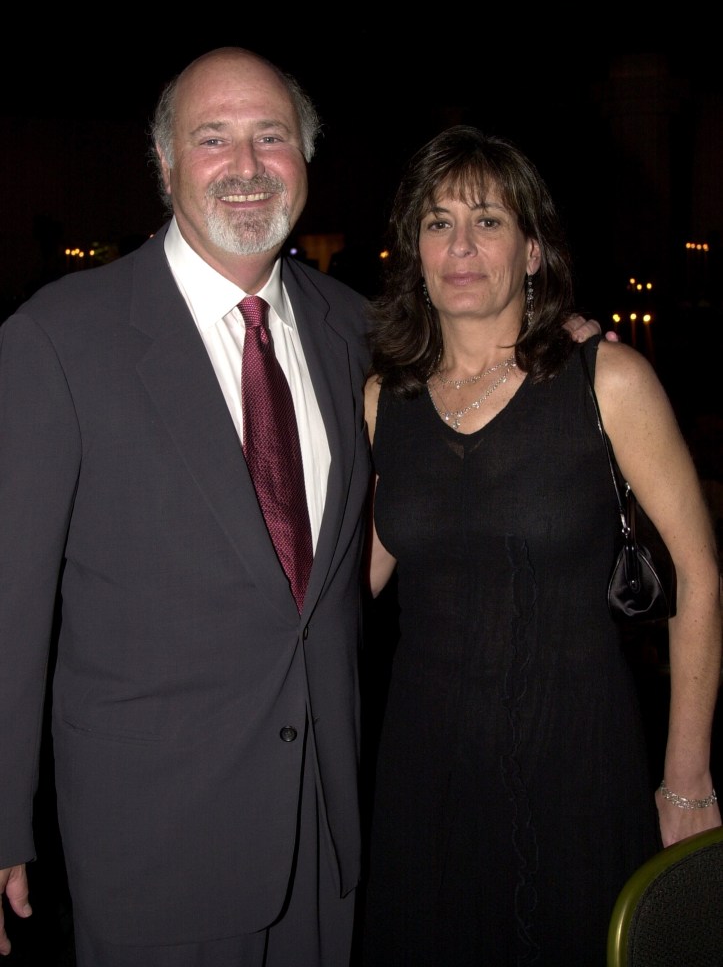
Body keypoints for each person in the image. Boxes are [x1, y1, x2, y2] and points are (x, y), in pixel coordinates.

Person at [0, 48, 604, 966]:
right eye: (213, 139)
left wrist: (555, 331)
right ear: (165, 166)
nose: (245, 166)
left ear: (304, 161)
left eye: (270, 137)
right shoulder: (56, 340)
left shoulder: (355, 330)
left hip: (328, 839)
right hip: (156, 850)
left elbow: (472, 358)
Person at [360, 125, 722, 966]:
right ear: (412, 249)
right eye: (437, 221)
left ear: (530, 249)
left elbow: (699, 576)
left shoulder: (606, 380)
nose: (460, 246)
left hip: (576, 763)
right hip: (424, 771)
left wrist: (687, 779)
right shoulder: (385, 401)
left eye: (487, 221)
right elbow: (344, 586)